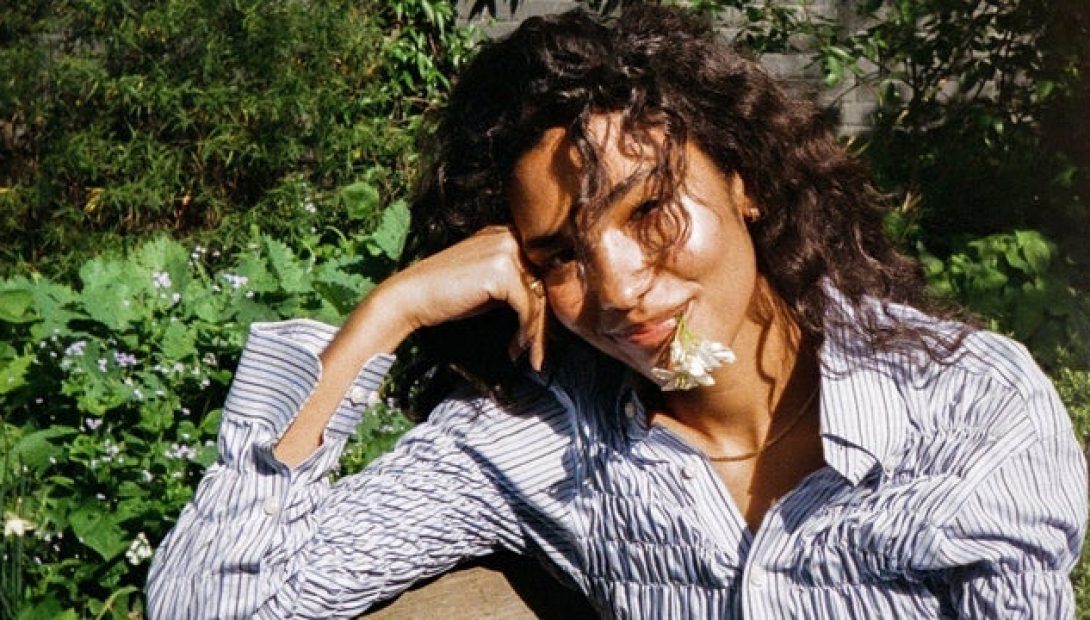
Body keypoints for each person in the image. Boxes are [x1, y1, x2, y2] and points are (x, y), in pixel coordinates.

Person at [146, 6, 1087, 618]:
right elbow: (213, 605)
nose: (620, 290)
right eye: (560, 256)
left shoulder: (963, 406)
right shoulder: (542, 445)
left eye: (650, 210)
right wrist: (385, 316)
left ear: (746, 182)